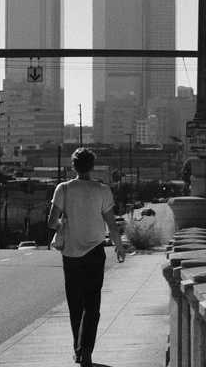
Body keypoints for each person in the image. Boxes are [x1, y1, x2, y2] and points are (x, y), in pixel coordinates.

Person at [47, 148, 125, 367]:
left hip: (70, 253)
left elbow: (51, 222)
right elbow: (111, 223)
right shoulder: (102, 190)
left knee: (75, 304)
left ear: (73, 166)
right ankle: (86, 351)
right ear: (92, 166)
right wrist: (119, 247)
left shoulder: (63, 189)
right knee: (92, 304)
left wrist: (64, 223)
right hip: (95, 251)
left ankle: (78, 350)